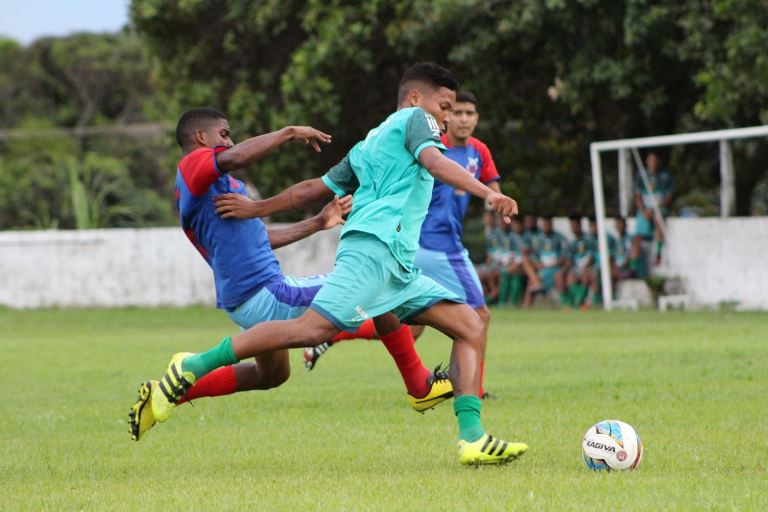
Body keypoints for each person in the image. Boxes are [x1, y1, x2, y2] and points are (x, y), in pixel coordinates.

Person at [146, 62, 528, 465]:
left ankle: (471, 438)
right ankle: (193, 365)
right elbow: (433, 163)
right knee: (312, 330)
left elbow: (312, 189)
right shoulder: (418, 120)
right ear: (416, 98)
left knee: (469, 326)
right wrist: (489, 193)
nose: (447, 117)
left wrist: (257, 207)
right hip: (372, 251)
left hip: (396, 260)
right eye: (445, 106)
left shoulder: (368, 145)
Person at [128, 108, 452, 441]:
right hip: (266, 293)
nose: (230, 141)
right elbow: (236, 157)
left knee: (271, 375)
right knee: (377, 288)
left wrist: (317, 223)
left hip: (245, 299)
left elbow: (260, 238)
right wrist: (287, 133)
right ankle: (418, 384)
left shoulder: (220, 188)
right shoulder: (193, 166)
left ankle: (167, 393)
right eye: (224, 134)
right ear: (200, 137)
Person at [634, 151, 673, 265]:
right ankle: (634, 265)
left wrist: (657, 207)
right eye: (651, 160)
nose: (653, 163)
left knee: (659, 221)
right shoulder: (641, 176)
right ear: (647, 161)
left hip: (659, 208)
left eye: (655, 160)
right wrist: (644, 210)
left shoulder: (665, 176)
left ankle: (659, 253)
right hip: (645, 209)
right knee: (637, 236)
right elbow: (637, 196)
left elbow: (669, 195)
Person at [523, 215, 568, 308]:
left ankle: (566, 305)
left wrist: (554, 264)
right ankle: (526, 307)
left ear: (551, 224)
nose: (546, 226)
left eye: (547, 223)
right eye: (544, 224)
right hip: (542, 268)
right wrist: (539, 264)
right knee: (526, 261)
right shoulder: (538, 238)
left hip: (554, 269)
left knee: (533, 282)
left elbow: (565, 256)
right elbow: (535, 255)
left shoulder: (560, 238)